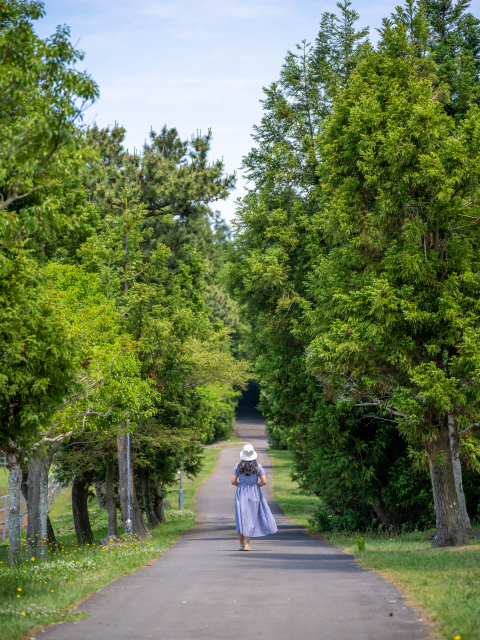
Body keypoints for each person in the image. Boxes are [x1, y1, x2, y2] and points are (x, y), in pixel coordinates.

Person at [231, 443, 278, 551]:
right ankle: (247, 544)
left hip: (241, 493)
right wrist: (255, 486)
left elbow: (233, 481)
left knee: (240, 517)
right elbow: (264, 482)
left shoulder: (237, 466)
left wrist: (241, 485)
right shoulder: (258, 467)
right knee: (251, 517)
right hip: (254, 492)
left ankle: (241, 544)